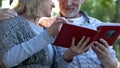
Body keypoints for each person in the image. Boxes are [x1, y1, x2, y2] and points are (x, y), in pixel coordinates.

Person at [0, 0, 118, 68]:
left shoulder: (99, 26)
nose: (68, 3)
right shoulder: (48, 28)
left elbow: (113, 65)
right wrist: (68, 56)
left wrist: (106, 58)